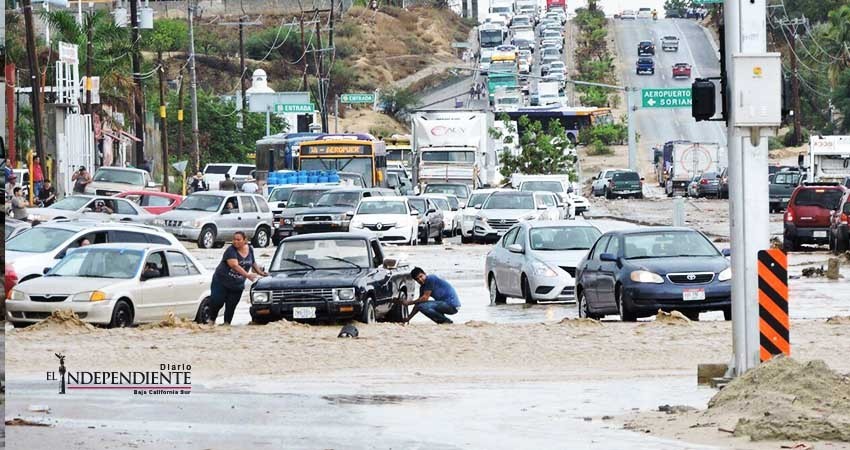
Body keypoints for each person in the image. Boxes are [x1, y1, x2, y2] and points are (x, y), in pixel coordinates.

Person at [208, 231, 268, 325]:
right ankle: (211, 321)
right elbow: (234, 265)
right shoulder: (230, 250)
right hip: (221, 281)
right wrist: (247, 275)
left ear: (245, 240)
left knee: (231, 306)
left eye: (238, 240)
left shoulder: (250, 249)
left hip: (237, 285)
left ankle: (227, 325)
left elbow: (252, 262)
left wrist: (260, 272)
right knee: (217, 302)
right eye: (234, 239)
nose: (235, 242)